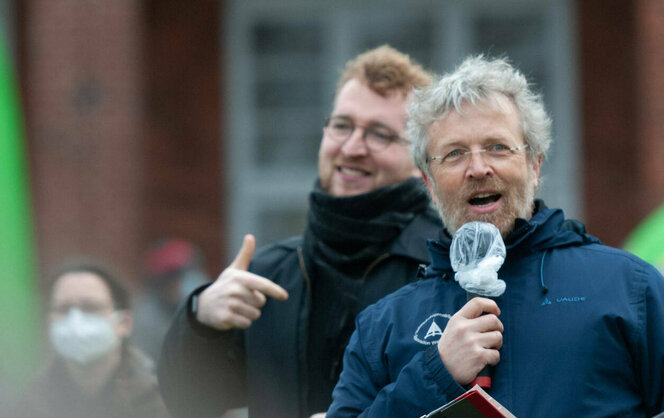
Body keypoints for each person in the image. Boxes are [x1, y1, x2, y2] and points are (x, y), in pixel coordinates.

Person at [327, 56, 664, 417]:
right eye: (454, 154)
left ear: (534, 165)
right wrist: (435, 374)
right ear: (429, 182)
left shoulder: (627, 288)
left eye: (497, 147)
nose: (478, 168)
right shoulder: (383, 325)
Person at [157, 45, 442, 418]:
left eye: (380, 134)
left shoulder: (444, 268)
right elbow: (188, 401)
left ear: (419, 158)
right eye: (342, 126)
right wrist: (201, 319)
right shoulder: (267, 277)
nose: (352, 147)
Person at [11, 263, 170, 418]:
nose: (75, 321)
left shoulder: (162, 401)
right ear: (48, 322)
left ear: (124, 323)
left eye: (91, 307)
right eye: (63, 308)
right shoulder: (30, 404)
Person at [133, 239, 209, 361]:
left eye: (192, 271)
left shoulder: (210, 309)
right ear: (162, 285)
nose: (188, 281)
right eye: (178, 277)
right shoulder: (146, 321)